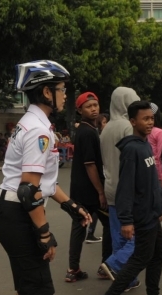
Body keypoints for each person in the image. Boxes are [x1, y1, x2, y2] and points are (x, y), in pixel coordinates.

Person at [0, 60, 90, 295]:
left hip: (8, 209)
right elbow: (29, 190)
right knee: (38, 286)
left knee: (25, 279)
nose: (65, 95)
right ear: (47, 91)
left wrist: (70, 204)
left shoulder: (32, 123)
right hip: (19, 211)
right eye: (61, 89)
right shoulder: (40, 130)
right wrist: (44, 233)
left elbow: (41, 183)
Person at [95, 101, 162, 295]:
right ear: (132, 122)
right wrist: (126, 220)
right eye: (145, 119)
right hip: (141, 215)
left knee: (158, 253)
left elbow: (150, 181)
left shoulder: (145, 144)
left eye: (151, 118)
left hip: (151, 212)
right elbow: (126, 187)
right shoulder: (132, 149)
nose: (150, 122)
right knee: (141, 257)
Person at [65, 91, 111, 282]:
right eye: (88, 106)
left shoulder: (85, 130)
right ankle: (106, 266)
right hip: (91, 191)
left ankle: (73, 269)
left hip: (78, 189)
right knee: (109, 224)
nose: (93, 109)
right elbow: (90, 164)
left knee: (79, 226)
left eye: (95, 105)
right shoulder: (88, 132)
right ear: (80, 110)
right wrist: (101, 191)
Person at [99, 87, 141, 291]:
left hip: (111, 187)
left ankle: (126, 280)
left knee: (118, 235)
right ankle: (115, 266)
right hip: (129, 189)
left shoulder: (106, 128)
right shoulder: (127, 126)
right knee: (137, 236)